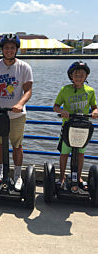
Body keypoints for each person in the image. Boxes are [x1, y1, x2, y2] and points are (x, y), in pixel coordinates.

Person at [0, 33, 33, 191]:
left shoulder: (24, 67)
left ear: (16, 49)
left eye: (12, 48)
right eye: (6, 48)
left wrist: (20, 104)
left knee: (17, 146)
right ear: (2, 49)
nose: (9, 50)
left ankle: (17, 176)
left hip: (17, 115)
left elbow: (28, 91)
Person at [53, 61, 98, 190]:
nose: (79, 77)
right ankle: (61, 177)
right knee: (64, 153)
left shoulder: (90, 91)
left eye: (82, 75)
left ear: (86, 76)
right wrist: (62, 111)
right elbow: (55, 107)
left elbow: (94, 107)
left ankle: (78, 177)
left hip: (83, 127)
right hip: (68, 126)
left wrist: (95, 112)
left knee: (80, 153)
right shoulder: (65, 90)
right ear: (71, 76)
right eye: (76, 75)